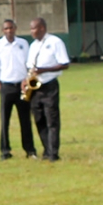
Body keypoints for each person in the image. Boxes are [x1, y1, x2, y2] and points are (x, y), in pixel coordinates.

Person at [26, 17, 70, 162]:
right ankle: (46, 150)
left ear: (42, 28)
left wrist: (44, 70)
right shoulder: (33, 46)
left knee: (52, 120)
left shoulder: (55, 42)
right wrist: (25, 81)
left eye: (34, 28)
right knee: (39, 119)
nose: (32, 31)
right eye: (31, 28)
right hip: (35, 86)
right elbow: (30, 66)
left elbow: (64, 64)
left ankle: (54, 153)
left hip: (49, 85)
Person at [0, 19, 34, 160]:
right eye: (6, 28)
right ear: (3, 30)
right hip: (6, 86)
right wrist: (0, 87)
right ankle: (5, 150)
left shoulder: (23, 44)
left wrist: (26, 81)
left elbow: (29, 65)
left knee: (25, 120)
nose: (9, 31)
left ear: (15, 28)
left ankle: (30, 150)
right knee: (5, 120)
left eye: (11, 28)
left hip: (22, 86)